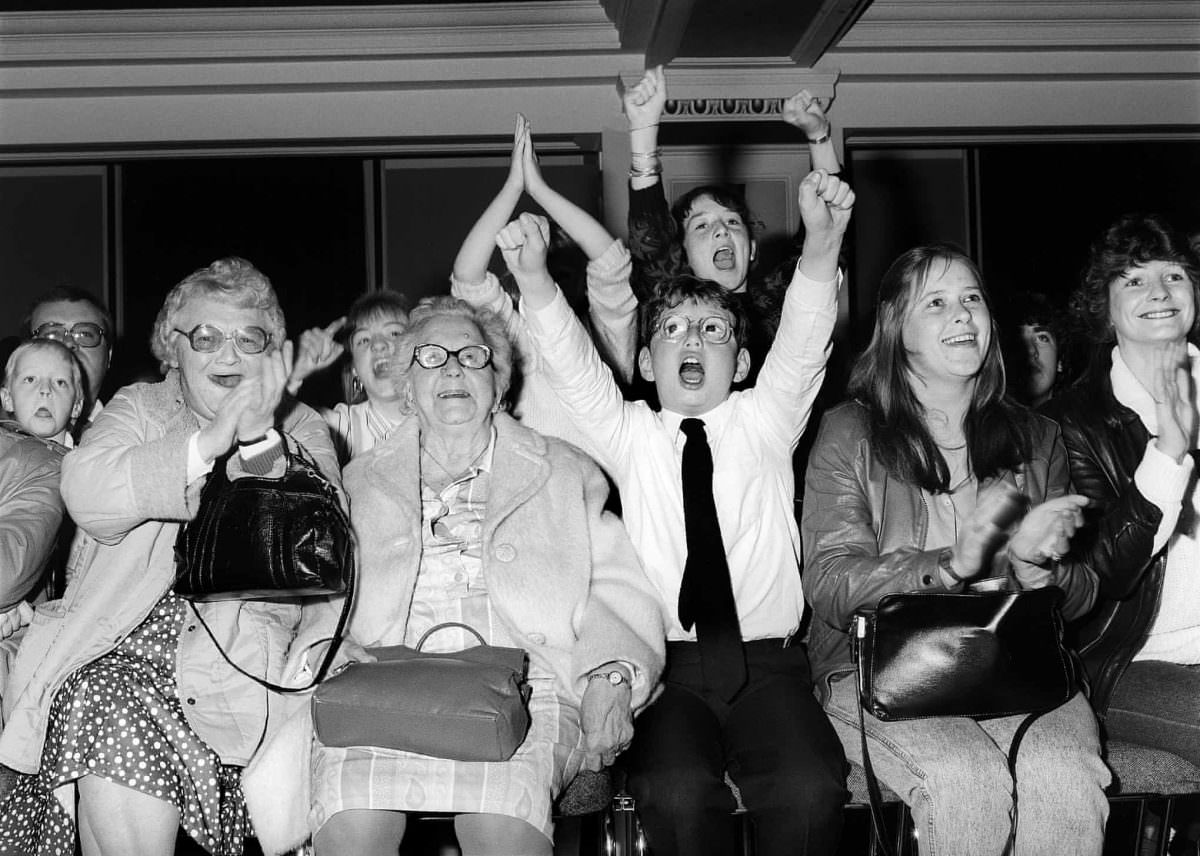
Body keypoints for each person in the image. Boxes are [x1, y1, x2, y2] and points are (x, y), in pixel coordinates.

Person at [508, 168, 853, 856]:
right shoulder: (628, 432)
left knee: (810, 788)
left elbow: (808, 334)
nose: (692, 340)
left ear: (744, 359)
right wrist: (536, 282)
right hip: (665, 670)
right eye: (671, 328)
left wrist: (822, 245)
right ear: (644, 356)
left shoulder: (766, 419)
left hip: (769, 668)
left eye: (713, 329)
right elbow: (573, 365)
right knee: (673, 793)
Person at [0, 257, 342, 856]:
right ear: (172, 349)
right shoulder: (140, 408)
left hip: (240, 663)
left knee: (113, 703)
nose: (227, 355)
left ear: (272, 351)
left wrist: (259, 434)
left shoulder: (304, 426)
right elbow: (87, 492)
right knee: (102, 694)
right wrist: (206, 444)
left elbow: (309, 548)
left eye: (248, 338)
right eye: (204, 338)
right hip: (113, 641)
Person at [299, 296, 665, 856]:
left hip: (526, 685)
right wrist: (327, 643)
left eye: (472, 356)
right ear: (406, 383)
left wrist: (611, 674)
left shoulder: (562, 469)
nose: (451, 368)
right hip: (384, 687)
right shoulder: (358, 480)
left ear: (498, 382)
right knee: (351, 829)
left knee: (502, 831)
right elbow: (325, 590)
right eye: (431, 356)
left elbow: (613, 585)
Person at [802, 243, 1110, 856]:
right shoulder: (850, 432)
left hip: (1017, 669)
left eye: (972, 299)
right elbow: (832, 587)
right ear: (897, 328)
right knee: (967, 780)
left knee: (1068, 778)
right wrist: (950, 565)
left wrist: (1034, 566)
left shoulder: (1037, 436)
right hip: (882, 670)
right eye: (937, 303)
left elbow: (1079, 602)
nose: (963, 315)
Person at [1042, 214, 1200, 766]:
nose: (1159, 291)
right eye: (1133, 280)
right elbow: (1102, 573)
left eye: (1174, 274)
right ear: (1103, 309)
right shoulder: (1067, 425)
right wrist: (1169, 451)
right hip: (1133, 662)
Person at [623, 66, 842, 359]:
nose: (722, 230)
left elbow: (829, 234)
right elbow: (650, 238)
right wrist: (643, 130)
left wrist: (819, 134)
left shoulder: (780, 302)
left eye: (732, 221)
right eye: (701, 226)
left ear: (751, 248)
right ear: (681, 254)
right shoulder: (672, 307)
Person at [451, 113, 638, 440]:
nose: (548, 282)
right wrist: (513, 186)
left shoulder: (607, 335)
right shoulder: (513, 336)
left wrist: (539, 188)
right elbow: (468, 279)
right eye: (536, 270)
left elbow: (610, 261)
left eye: (558, 273)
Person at [0, 339, 81, 639]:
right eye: (30, 379)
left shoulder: (67, 466)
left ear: (77, 405)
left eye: (60, 382)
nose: (45, 390)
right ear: (7, 398)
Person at [287, 290, 409, 462]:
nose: (378, 344)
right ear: (354, 369)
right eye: (364, 340)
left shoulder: (443, 412)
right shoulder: (342, 427)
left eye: (394, 333)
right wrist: (293, 376)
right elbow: (270, 432)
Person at [26, 286, 115, 425]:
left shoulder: (143, 436)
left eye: (86, 334)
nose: (68, 343)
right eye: (51, 335)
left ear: (108, 356)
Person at [1001, 290, 1070, 407]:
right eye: (1018, 338)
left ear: (1060, 361)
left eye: (1042, 338)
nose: (1030, 350)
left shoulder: (1083, 422)